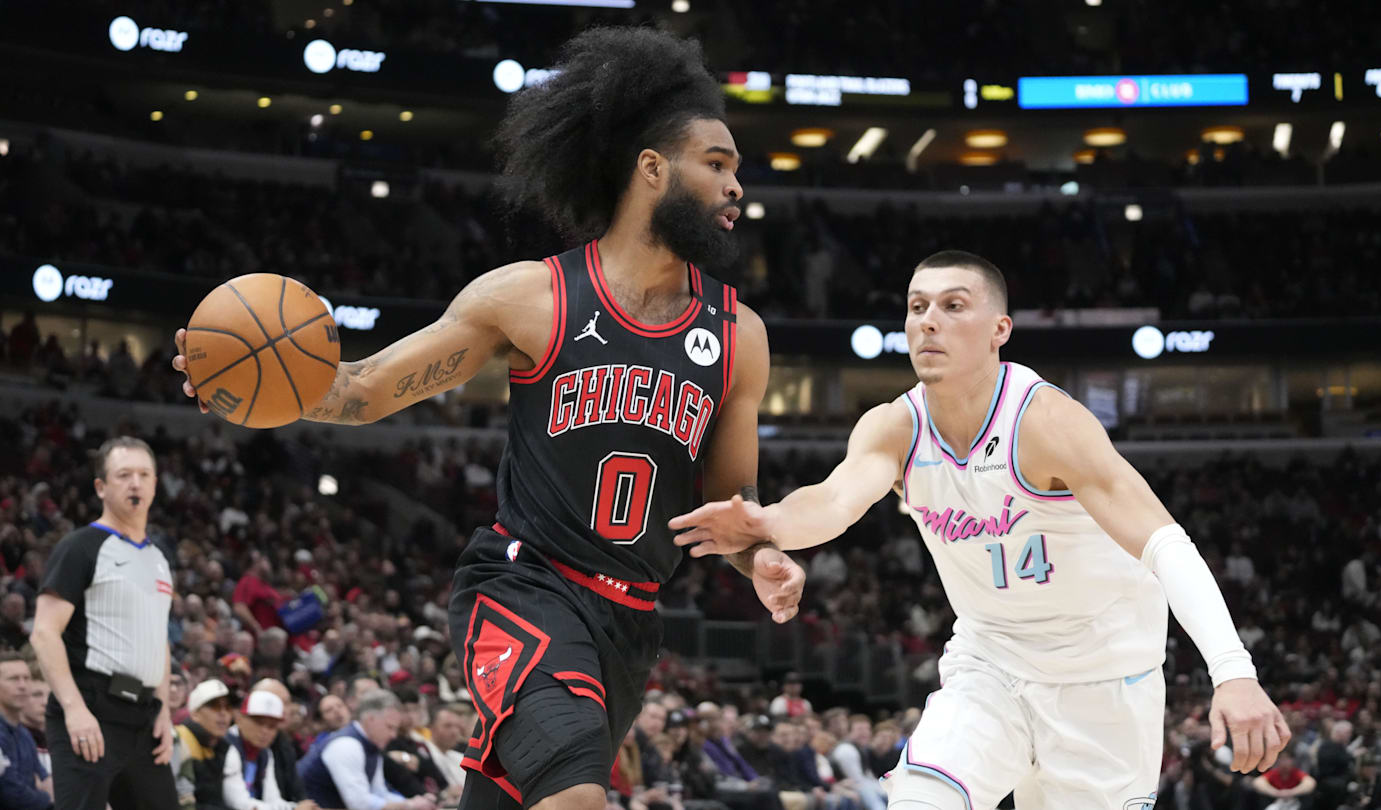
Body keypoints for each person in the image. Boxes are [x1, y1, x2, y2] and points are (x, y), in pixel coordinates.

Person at [171, 25, 806, 810]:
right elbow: (365, 388)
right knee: (577, 800)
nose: (735, 187)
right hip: (524, 590)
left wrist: (762, 559)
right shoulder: (529, 298)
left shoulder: (739, 337)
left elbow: (727, 514)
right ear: (651, 170)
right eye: (717, 165)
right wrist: (254, 385)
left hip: (630, 625)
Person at [671, 250, 1291, 809]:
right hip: (989, 664)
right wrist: (765, 524)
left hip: (1103, 681)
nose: (928, 320)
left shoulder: (1047, 422)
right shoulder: (895, 426)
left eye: (952, 305)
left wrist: (1233, 671)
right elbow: (834, 498)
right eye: (916, 307)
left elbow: (1164, 542)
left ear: (1000, 331)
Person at [30, 436, 178, 810]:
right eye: (124, 474)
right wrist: (74, 709)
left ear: (155, 485)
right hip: (90, 707)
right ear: (101, 487)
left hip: (143, 715)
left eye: (144, 474)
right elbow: (45, 634)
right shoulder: (81, 546)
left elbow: (157, 638)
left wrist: (162, 707)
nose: (135, 483)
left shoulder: (159, 558)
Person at [296, 689, 433, 810]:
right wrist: (409, 806)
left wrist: (416, 803)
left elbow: (379, 793)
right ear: (371, 719)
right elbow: (359, 804)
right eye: (390, 727)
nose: (393, 735)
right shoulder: (346, 745)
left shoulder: (371, 745)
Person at [220, 690, 317, 810]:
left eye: (272, 726)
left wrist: (298, 807)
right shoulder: (226, 746)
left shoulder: (265, 753)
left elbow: (273, 799)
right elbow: (238, 802)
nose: (265, 731)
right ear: (240, 719)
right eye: (259, 723)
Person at [1, 650, 52, 810]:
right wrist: (46, 798)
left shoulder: (24, 734)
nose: (22, 685)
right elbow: (10, 793)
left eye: (26, 678)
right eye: (13, 679)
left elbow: (46, 780)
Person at [174, 679, 234, 810]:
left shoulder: (222, 747)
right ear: (195, 714)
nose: (223, 713)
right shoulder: (179, 740)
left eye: (227, 707)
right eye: (214, 706)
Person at [249, 680, 305, 805]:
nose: (284, 710)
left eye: (287, 703)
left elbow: (297, 793)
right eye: (276, 702)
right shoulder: (237, 743)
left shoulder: (285, 743)